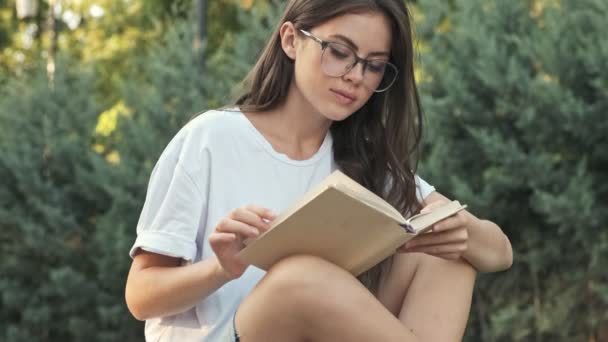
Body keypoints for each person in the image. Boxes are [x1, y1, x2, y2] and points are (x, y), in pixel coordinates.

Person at [125, 0, 513, 340]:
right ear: (291, 40)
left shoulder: (364, 163)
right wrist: (223, 269)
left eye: (374, 66)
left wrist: (465, 233)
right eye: (339, 52)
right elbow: (141, 296)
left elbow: (500, 252)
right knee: (301, 277)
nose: (355, 76)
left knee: (449, 254)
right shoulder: (211, 138)